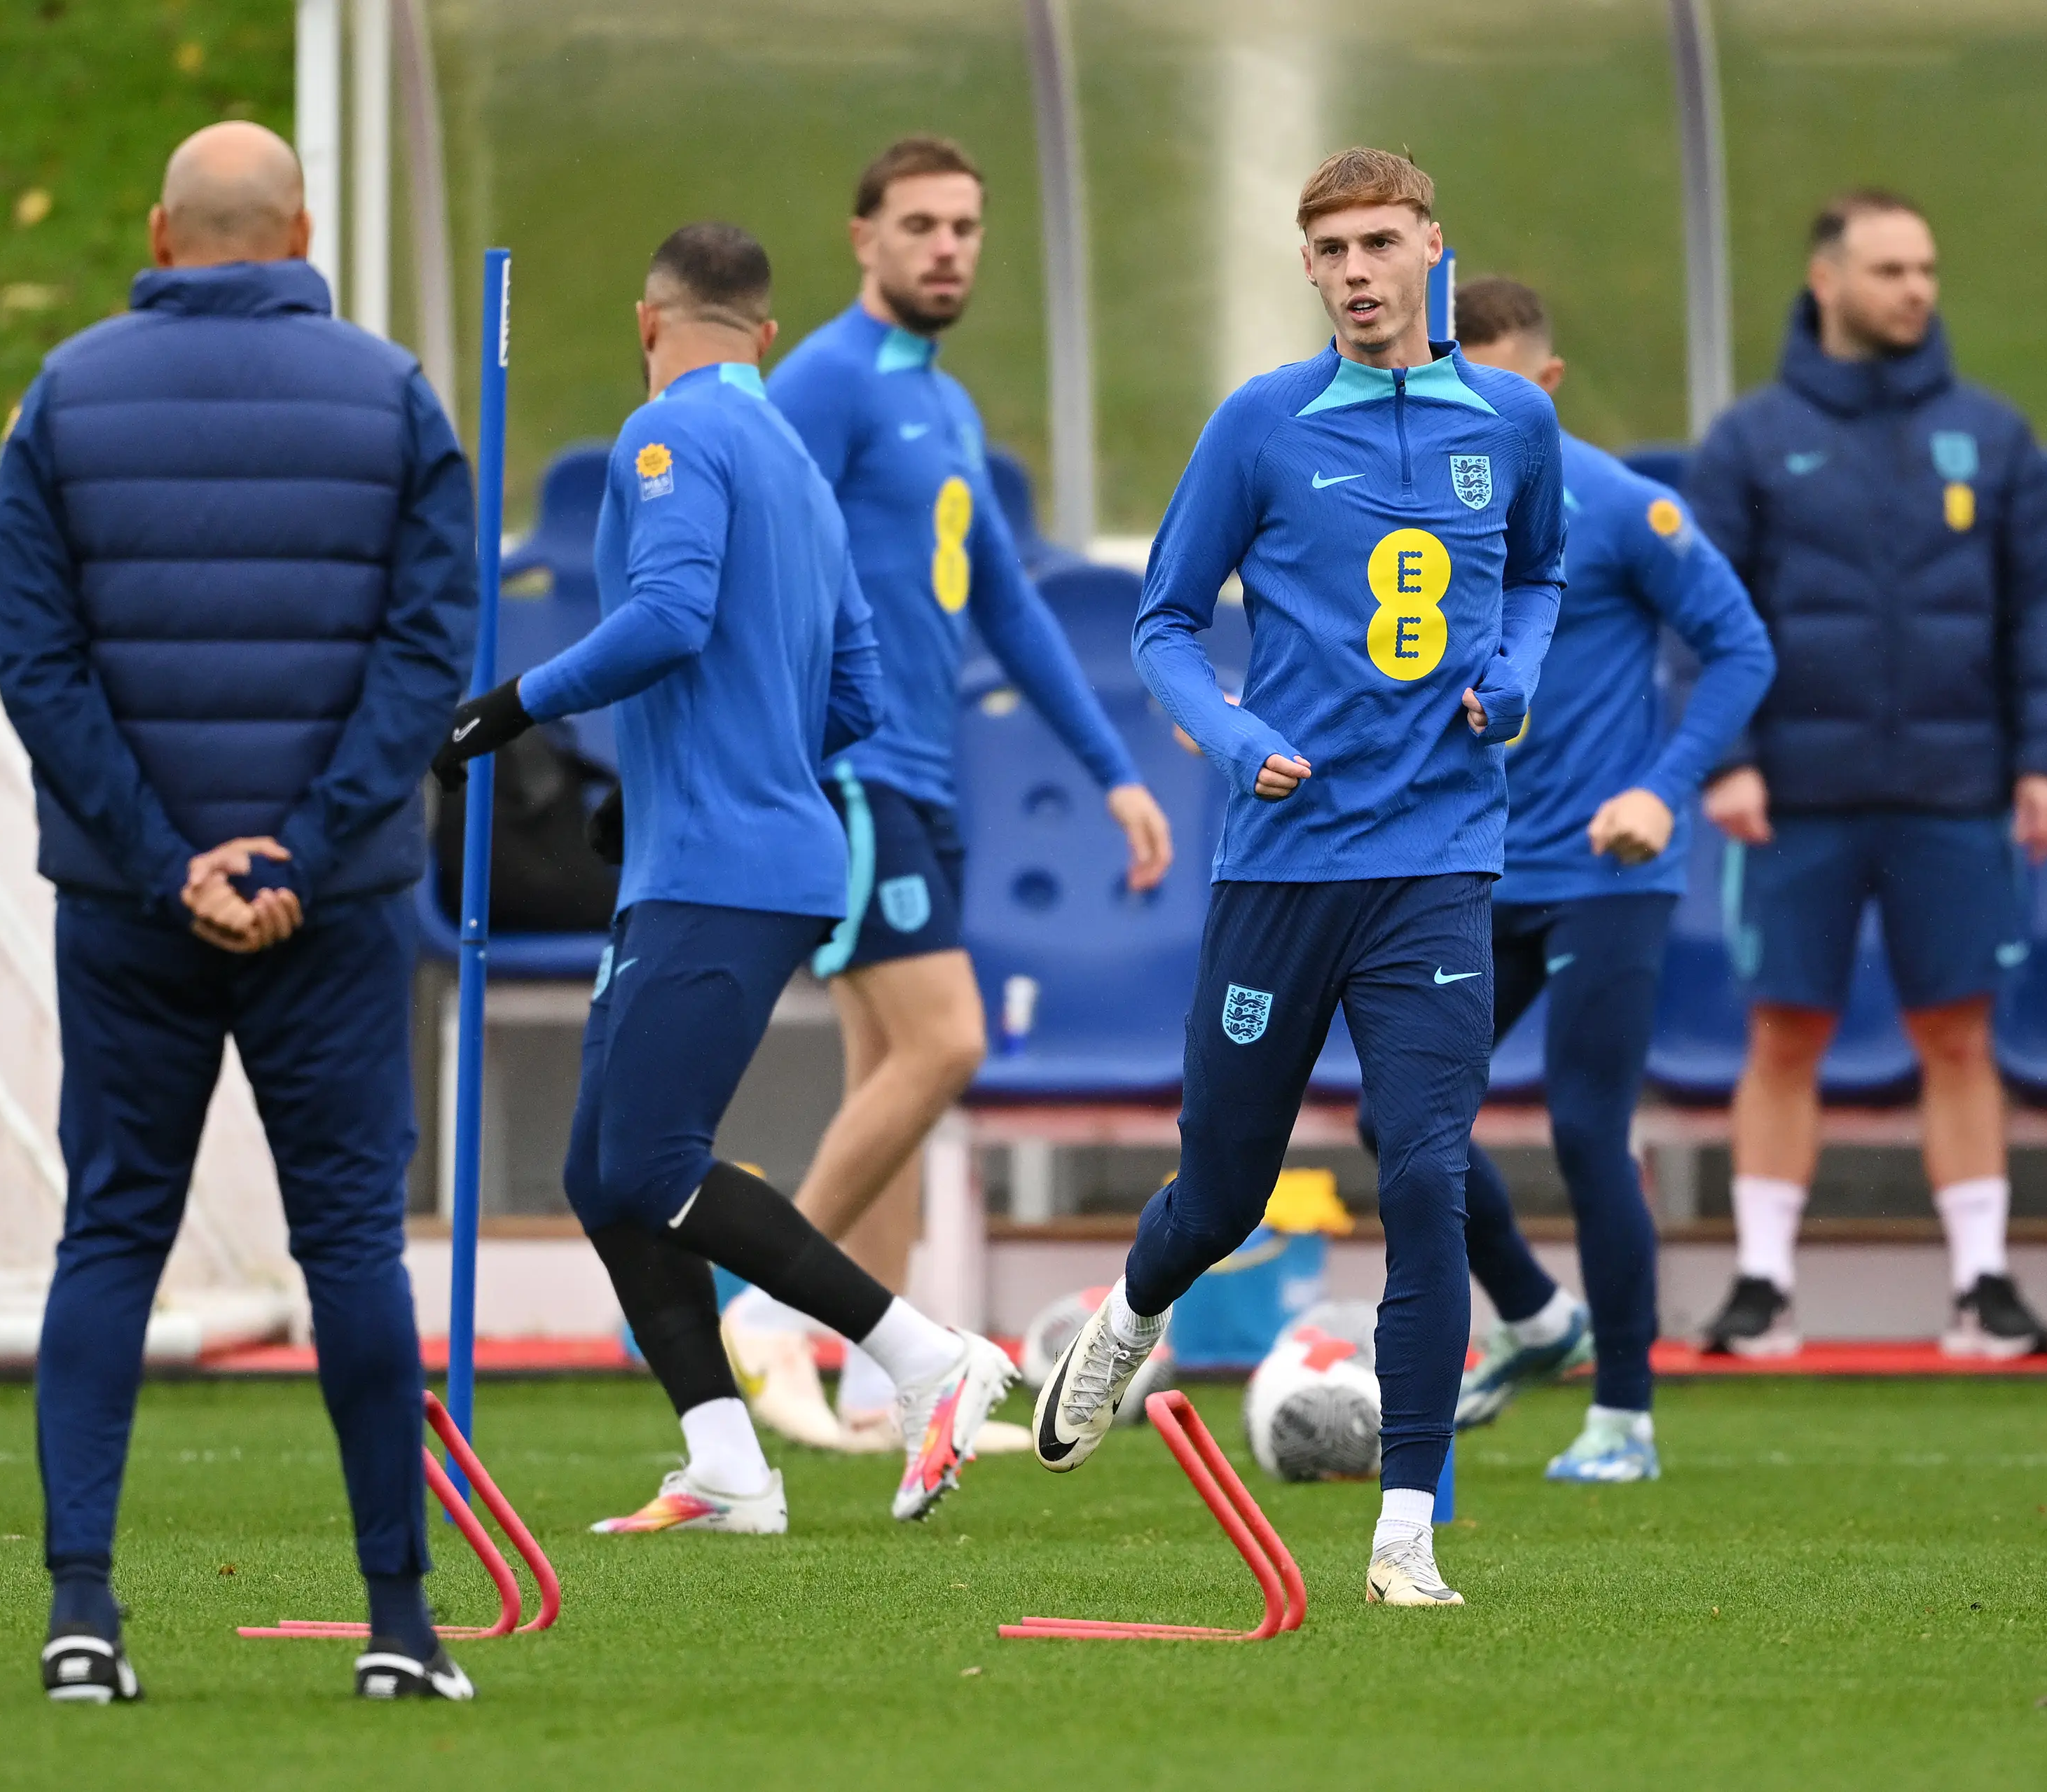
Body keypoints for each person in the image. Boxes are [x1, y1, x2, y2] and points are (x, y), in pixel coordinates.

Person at [1031, 149, 1566, 1608]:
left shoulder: (1514, 422)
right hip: (1284, 863)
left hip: (1439, 860)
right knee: (1223, 1194)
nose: (1355, 271)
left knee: (1428, 1174)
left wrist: (1514, 675)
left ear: (1433, 247)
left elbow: (1538, 577)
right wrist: (1233, 735)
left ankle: (1404, 1535)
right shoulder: (1261, 424)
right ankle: (1131, 1314)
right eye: (1329, 250)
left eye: (1380, 242)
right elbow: (1161, 622)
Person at [0, 123, 479, 1702]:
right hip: (334, 915)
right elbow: (430, 651)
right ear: (302, 232)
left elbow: (37, 664)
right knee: (351, 1246)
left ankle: (80, 1615)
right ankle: (398, 1626)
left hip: (129, 911)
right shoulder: (394, 396)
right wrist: (302, 855)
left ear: (160, 231)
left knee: (112, 1230)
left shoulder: (62, 397)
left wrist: (167, 860)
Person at [431, 223, 1019, 1536]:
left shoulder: (668, 435)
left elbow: (669, 616)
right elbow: (855, 689)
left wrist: (508, 707)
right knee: (604, 1171)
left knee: (651, 1161)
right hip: (736, 848)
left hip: (718, 862)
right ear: (766, 334)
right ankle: (727, 1465)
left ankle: (927, 1356)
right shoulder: (797, 462)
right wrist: (675, 774)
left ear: (649, 324)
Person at [747, 137, 1174, 1446]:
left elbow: (1010, 606)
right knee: (948, 1044)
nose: (946, 248)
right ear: (863, 237)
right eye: (921, 225)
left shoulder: (942, 401)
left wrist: (1116, 773)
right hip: (854, 772)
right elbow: (752, 555)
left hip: (925, 782)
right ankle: (760, 1312)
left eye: (966, 228)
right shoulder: (825, 380)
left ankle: (889, 1385)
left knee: (893, 1077)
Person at [1686, 190, 2047, 1359]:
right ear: (1828, 281)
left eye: (1926, 269)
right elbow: (1703, 612)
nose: (1917, 290)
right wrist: (1727, 756)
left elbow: (2042, 614)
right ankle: (1762, 1286)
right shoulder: (1751, 439)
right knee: (1785, 1032)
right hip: (1796, 796)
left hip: (1954, 790)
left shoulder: (1993, 436)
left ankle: (1983, 1286)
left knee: (1959, 1035)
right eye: (1891, 270)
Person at [1412, 277, 1774, 1480]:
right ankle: (1532, 1315)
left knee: (1584, 1123)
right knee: (1398, 1115)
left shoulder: (1620, 506)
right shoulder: (1418, 505)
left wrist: (1663, 789)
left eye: (1499, 380)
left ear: (1549, 384)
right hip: (1471, 860)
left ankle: (1625, 1413)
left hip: (1608, 870)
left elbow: (1741, 646)